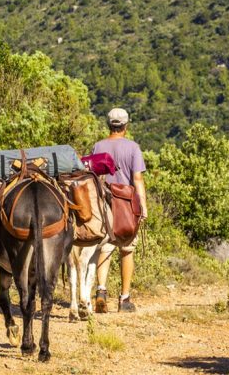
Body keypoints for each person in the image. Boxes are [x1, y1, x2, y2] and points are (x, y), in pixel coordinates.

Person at [93, 107, 147, 313]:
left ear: (109, 125)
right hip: (126, 204)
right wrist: (143, 207)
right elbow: (137, 179)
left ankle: (101, 291)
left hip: (105, 202)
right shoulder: (133, 148)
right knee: (127, 250)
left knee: (105, 248)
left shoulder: (98, 146)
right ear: (126, 125)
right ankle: (124, 299)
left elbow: (95, 177)